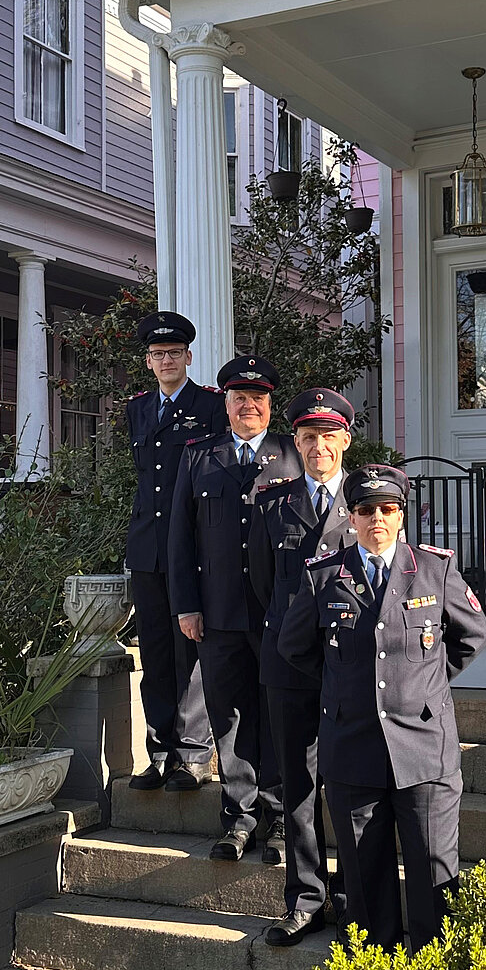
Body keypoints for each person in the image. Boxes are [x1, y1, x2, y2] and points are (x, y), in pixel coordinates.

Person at [278, 464, 486, 954]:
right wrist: (346, 688)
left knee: (433, 871)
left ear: (401, 516)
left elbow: (473, 635)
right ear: (351, 517)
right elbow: (295, 647)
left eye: (387, 509)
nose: (377, 518)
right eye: (365, 509)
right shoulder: (324, 576)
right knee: (365, 877)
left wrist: (425, 686)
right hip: (353, 747)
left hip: (424, 749)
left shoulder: (434, 570)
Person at [167, 356, 302, 863]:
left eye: (257, 398)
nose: (249, 406)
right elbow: (180, 539)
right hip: (219, 614)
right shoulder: (199, 456)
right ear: (225, 405)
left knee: (279, 715)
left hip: (278, 615)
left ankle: (280, 817)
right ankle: (239, 820)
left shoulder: (294, 455)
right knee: (228, 719)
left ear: (270, 404)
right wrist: (186, 606)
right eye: (239, 398)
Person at [249, 388, 357, 947]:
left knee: (352, 784)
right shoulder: (273, 503)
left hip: (349, 663)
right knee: (298, 785)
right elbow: (262, 583)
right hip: (289, 664)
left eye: (328, 437)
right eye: (309, 437)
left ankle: (355, 897)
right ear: (295, 441)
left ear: (346, 441)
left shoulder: (369, 503)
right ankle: (305, 898)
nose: (319, 447)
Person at [126, 311, 226, 792]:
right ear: (148, 361)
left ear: (188, 357)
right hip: (148, 546)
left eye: (173, 353)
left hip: (192, 546)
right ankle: (160, 752)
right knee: (155, 651)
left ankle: (192, 754)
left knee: (191, 649)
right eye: (157, 354)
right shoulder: (138, 409)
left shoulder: (211, 406)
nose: (166, 360)